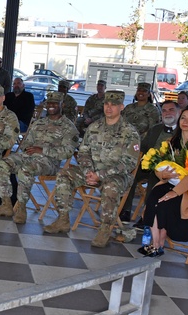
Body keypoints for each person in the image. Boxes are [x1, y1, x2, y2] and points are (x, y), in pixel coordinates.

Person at [43, 90, 140, 247]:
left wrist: (100, 175)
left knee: (110, 187)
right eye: (106, 104)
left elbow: (128, 163)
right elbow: (83, 151)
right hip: (91, 171)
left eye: (113, 105)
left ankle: (105, 229)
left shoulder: (129, 132)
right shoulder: (94, 127)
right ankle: (63, 219)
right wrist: (88, 170)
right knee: (64, 175)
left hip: (116, 175)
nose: (109, 108)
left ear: (122, 107)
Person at [0, 91, 79, 223]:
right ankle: (6, 204)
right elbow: (26, 142)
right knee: (2, 164)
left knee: (26, 169)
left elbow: (67, 152)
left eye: (55, 103)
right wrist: (28, 149)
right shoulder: (39, 123)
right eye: (49, 103)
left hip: (49, 162)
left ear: (62, 105)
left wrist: (43, 150)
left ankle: (21, 209)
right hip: (29, 156)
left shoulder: (69, 127)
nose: (51, 106)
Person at [138, 107, 188, 257]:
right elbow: (158, 163)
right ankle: (156, 243)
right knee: (153, 199)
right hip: (170, 183)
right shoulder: (171, 141)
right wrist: (162, 174)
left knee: (166, 204)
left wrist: (175, 192)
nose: (185, 121)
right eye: (183, 118)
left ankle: (158, 244)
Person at [120, 100, 180, 224]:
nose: (167, 113)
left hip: (169, 171)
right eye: (164, 110)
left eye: (171, 110)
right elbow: (144, 147)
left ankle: (147, 216)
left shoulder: (182, 132)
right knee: (130, 174)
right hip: (148, 165)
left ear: (179, 112)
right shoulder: (155, 129)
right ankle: (125, 210)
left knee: (155, 179)